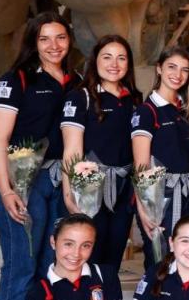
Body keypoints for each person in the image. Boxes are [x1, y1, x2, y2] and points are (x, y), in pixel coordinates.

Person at [0, 11, 79, 300]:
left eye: (60, 38)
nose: (54, 46)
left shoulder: (74, 82)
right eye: (45, 39)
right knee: (21, 267)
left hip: (57, 180)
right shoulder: (17, 80)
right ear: (33, 42)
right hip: (21, 179)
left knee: (48, 266)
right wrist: (6, 189)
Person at [60, 35, 141, 269]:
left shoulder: (133, 100)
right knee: (89, 257)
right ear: (95, 61)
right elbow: (72, 150)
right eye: (107, 57)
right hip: (90, 189)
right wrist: (69, 194)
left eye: (121, 58)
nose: (114, 64)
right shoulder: (81, 97)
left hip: (123, 191)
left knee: (113, 258)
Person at [131, 46, 189, 272]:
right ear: (159, 69)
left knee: (184, 259)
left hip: (187, 194)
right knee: (160, 261)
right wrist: (143, 209)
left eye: (184, 70)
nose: (177, 75)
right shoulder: (147, 111)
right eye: (171, 67)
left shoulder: (185, 110)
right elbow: (141, 166)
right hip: (159, 197)